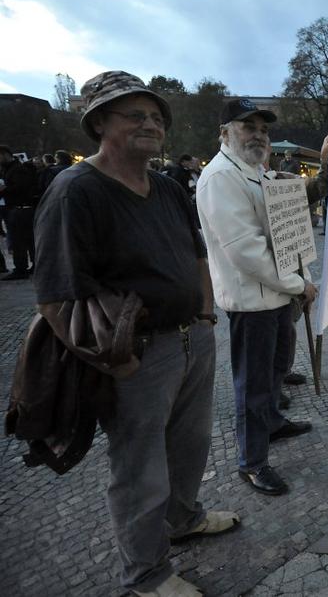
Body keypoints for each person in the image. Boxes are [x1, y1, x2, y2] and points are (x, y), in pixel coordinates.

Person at [32, 70, 237, 596]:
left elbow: (197, 255)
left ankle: (183, 519)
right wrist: (118, 363)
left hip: (193, 340)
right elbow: (55, 297)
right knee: (139, 468)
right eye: (134, 115)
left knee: (190, 446)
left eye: (156, 117)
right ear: (99, 123)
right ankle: (146, 574)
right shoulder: (75, 191)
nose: (150, 124)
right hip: (137, 355)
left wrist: (206, 318)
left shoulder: (165, 186)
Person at [197, 98, 318, 497]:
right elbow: (246, 251)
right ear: (225, 132)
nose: (259, 135)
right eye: (248, 127)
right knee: (253, 383)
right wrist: (298, 285)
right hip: (252, 302)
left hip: (276, 296)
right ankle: (251, 461)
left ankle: (273, 423)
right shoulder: (221, 177)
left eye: (263, 129)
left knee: (278, 366)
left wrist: (300, 277)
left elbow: (285, 233)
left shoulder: (254, 172)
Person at [0, 144, 39, 280]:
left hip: (20, 209)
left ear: (5, 155)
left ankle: (21, 268)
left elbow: (20, 188)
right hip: (19, 208)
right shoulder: (13, 169)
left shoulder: (17, 170)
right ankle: (31, 265)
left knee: (19, 241)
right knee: (27, 240)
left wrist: (4, 189)